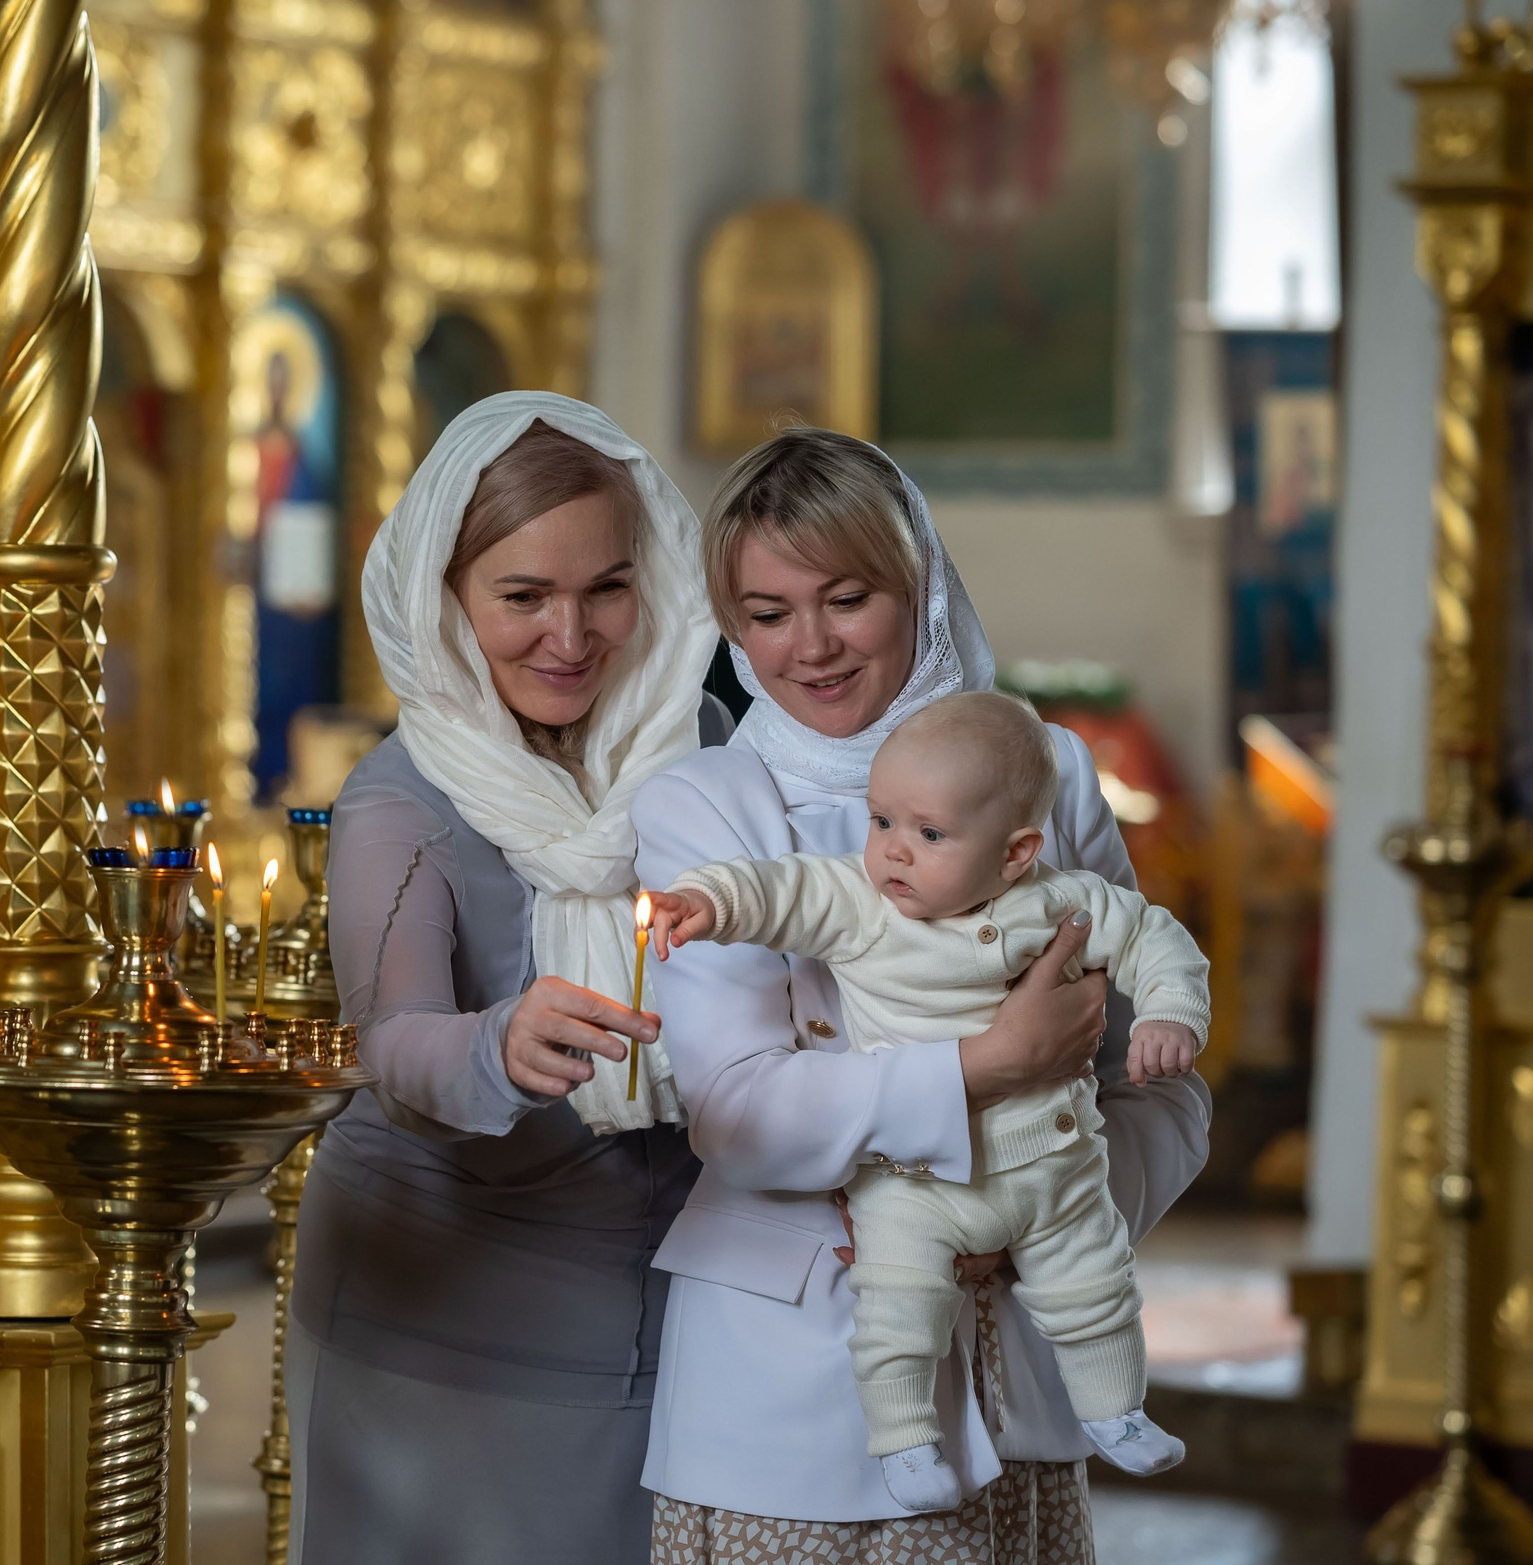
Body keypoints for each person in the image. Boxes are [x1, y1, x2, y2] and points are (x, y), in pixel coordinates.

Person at [631, 429, 1211, 1563]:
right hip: (785, 1385)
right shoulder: (707, 808)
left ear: (922, 584)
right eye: (763, 612)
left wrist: (1041, 1217)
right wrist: (987, 1069)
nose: (808, 646)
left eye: (846, 597)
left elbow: (1165, 1090)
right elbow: (738, 1110)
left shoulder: (1047, 769)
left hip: (1021, 1378)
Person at [284, 391, 724, 1562]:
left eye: (606, 589)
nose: (570, 637)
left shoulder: (708, 749)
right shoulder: (401, 799)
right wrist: (501, 1046)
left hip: (685, 1290)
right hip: (447, 1312)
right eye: (522, 597)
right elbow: (394, 1036)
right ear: (444, 600)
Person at [644, 690, 1204, 1513]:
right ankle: (904, 1439)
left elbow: (1154, 937)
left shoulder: (1055, 900)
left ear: (1016, 854)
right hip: (912, 1178)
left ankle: (1117, 1411)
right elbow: (779, 892)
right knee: (898, 1307)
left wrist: (1168, 1010)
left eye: (929, 835)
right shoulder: (861, 904)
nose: (894, 853)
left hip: (1050, 1160)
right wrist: (710, 903)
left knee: (1095, 1286)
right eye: (881, 823)